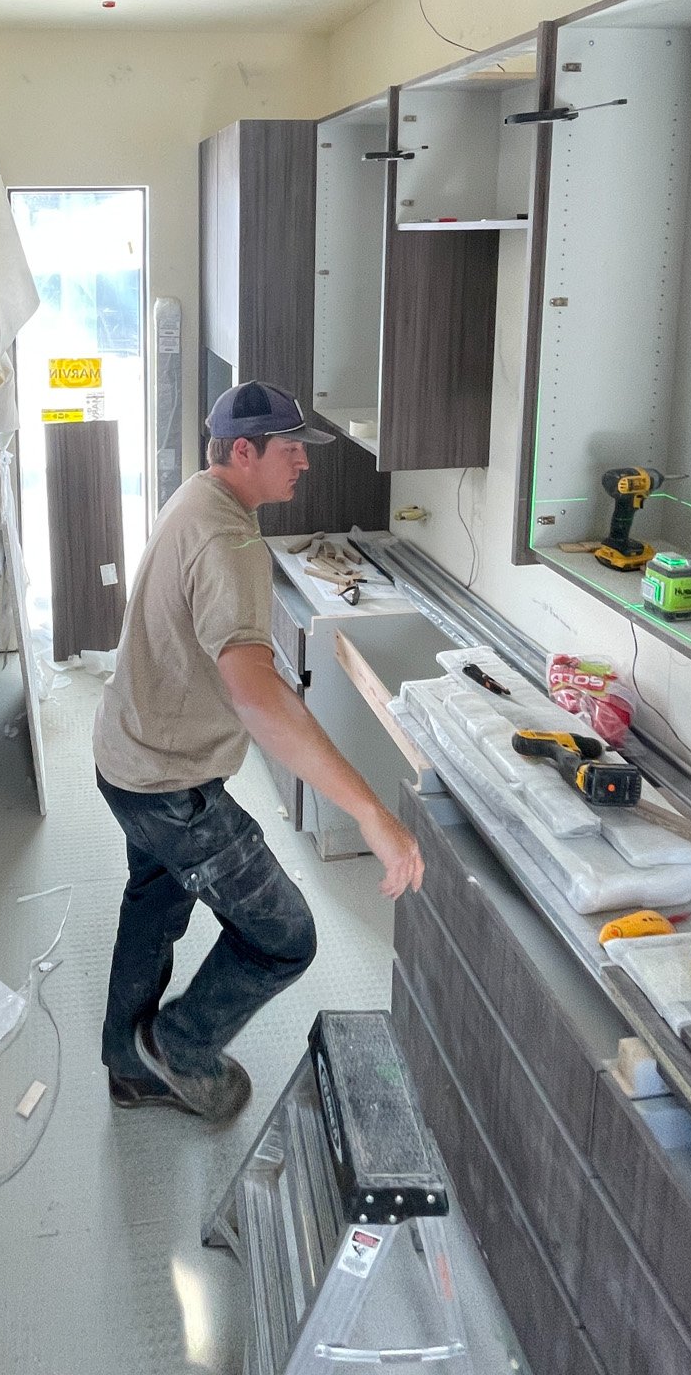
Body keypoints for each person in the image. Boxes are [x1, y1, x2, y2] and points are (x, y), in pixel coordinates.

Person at [93, 380, 424, 1123]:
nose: (303, 465)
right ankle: (174, 1048)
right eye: (290, 451)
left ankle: (128, 1063)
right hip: (170, 785)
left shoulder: (200, 498)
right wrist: (370, 811)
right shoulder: (231, 541)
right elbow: (255, 693)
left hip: (127, 754)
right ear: (243, 451)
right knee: (284, 936)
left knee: (155, 901)